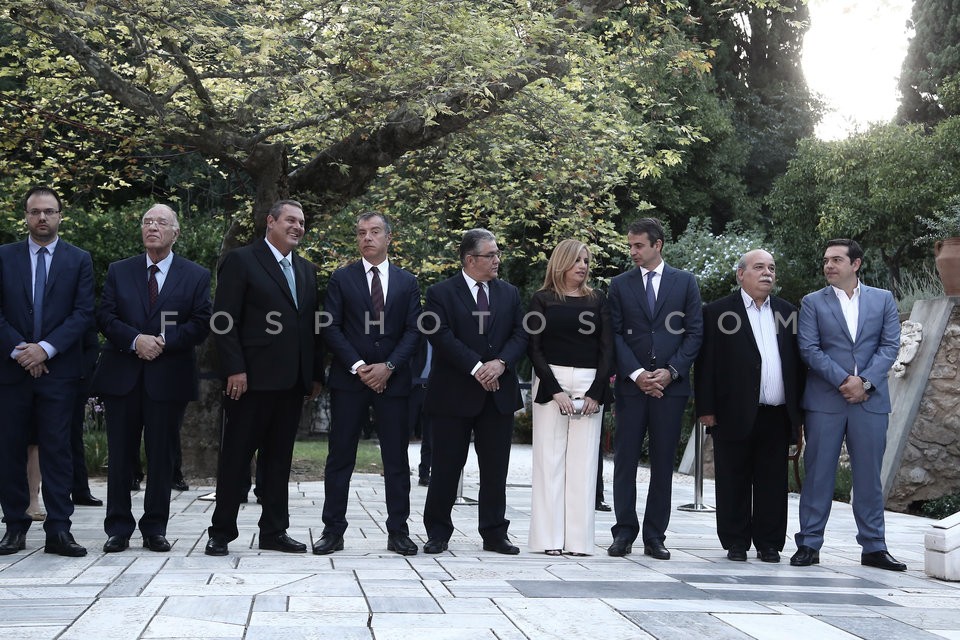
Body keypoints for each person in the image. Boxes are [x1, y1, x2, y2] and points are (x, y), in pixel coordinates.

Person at [205, 199, 324, 556]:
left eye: (301, 222)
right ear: (270, 222)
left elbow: (312, 326)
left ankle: (274, 530)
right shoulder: (241, 260)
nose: (298, 227)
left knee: (278, 461)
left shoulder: (306, 269)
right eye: (290, 220)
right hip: (250, 381)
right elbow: (223, 320)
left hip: (292, 383)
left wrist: (315, 373)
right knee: (236, 458)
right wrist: (234, 368)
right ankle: (221, 532)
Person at [92, 204, 212, 553]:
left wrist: (161, 341)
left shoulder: (196, 275)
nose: (152, 227)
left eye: (161, 222)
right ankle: (118, 528)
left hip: (168, 376)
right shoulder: (120, 270)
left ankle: (155, 528)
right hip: (123, 376)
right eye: (147, 222)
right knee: (120, 456)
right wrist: (135, 340)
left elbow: (201, 322)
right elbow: (105, 315)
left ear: (176, 232)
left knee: (162, 457)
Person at [790, 239, 906, 571]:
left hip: (870, 401)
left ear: (855, 264)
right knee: (818, 474)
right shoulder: (812, 302)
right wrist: (845, 381)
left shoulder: (883, 299)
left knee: (869, 477)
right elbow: (809, 349)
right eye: (826, 260)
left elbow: (890, 345)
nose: (828, 265)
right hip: (826, 400)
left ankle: (874, 547)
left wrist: (865, 382)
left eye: (836, 260)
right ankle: (809, 543)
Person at [316, 212, 422, 556]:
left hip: (394, 381)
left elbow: (414, 330)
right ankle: (333, 531)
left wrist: (388, 367)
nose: (367, 238)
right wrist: (360, 367)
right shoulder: (341, 278)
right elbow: (331, 327)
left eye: (374, 232)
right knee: (339, 457)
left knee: (396, 459)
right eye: (361, 232)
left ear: (389, 238)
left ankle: (398, 531)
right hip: (350, 381)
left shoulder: (408, 282)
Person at [0, 185, 95, 557]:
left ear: (60, 216)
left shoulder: (79, 259)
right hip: (12, 372)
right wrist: (22, 351)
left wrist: (45, 349)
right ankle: (15, 526)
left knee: (58, 451)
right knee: (9, 450)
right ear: (25, 216)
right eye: (35, 211)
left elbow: (83, 314)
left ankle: (59, 530)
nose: (42, 217)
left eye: (49, 211)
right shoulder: (4, 256)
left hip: (59, 372)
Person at [421, 228, 528, 555]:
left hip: (498, 394)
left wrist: (501, 364)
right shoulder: (440, 293)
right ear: (470, 259)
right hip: (453, 394)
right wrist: (478, 367)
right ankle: (438, 532)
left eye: (497, 254)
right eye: (490, 255)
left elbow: (521, 333)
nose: (497, 260)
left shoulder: (509, 293)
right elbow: (440, 335)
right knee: (445, 467)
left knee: (495, 470)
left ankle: (494, 533)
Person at [695, 249, 805, 563]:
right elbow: (705, 363)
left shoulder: (787, 312)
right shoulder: (717, 312)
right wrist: (706, 408)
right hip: (732, 411)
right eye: (759, 267)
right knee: (733, 478)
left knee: (773, 481)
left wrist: (799, 413)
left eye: (771, 267)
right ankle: (736, 541)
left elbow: (797, 364)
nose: (767, 273)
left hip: (776, 413)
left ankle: (769, 543)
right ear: (741, 274)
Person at [608, 217, 703, 560]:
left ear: (657, 244)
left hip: (670, 389)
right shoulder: (619, 284)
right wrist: (636, 374)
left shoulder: (685, 282)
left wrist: (671, 372)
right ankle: (623, 533)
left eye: (638, 245)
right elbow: (614, 334)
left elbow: (695, 332)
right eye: (630, 246)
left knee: (663, 464)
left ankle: (655, 536)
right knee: (625, 462)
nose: (632, 251)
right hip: (632, 389)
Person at [526, 239, 613, 556]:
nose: (583, 266)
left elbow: (608, 348)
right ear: (562, 262)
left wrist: (596, 392)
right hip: (552, 381)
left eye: (586, 261)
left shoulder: (598, 299)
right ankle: (547, 540)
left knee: (584, 465)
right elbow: (534, 348)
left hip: (590, 383)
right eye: (577, 260)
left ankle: (579, 542)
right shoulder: (542, 299)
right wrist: (554, 390)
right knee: (548, 462)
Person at [71, 327, 103, 506]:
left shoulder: (83, 314)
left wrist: (80, 374)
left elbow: (92, 346)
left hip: (75, 381)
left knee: (73, 436)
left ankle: (80, 490)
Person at [409, 339, 433, 486]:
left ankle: (425, 474)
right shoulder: (418, 337)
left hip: (433, 389)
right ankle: (398, 469)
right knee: (403, 432)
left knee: (430, 436)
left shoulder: (441, 339)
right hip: (414, 389)